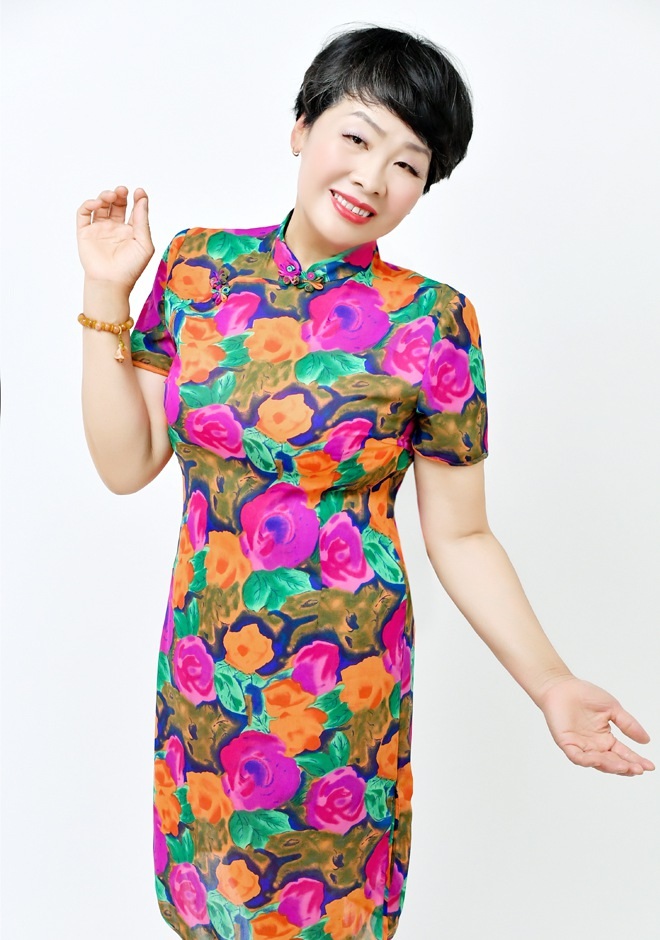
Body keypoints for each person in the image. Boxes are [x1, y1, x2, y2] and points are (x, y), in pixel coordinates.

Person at [76, 23, 654, 940]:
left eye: (408, 165)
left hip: (339, 687)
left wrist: (551, 683)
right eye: (356, 136)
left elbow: (461, 533)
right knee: (203, 908)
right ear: (301, 128)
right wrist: (106, 292)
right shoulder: (195, 267)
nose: (373, 178)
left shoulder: (434, 321)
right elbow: (127, 463)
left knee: (325, 919)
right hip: (202, 672)